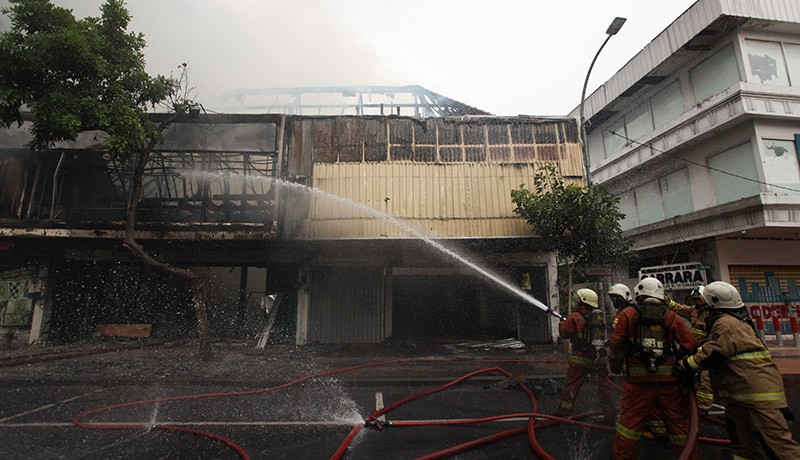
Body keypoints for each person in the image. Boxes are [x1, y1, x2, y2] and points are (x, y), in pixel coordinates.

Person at [674, 281, 800, 459]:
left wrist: (682, 366)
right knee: (742, 446)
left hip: (758, 398)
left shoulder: (727, 324)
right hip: (738, 397)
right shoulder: (729, 321)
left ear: (713, 304)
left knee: (778, 446)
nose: (702, 308)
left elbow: (713, 353)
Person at [608, 277, 699, 460]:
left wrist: (616, 365)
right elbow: (691, 343)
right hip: (670, 383)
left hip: (638, 384)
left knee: (630, 426)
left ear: (639, 293)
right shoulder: (670, 316)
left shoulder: (628, 315)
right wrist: (682, 365)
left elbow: (616, 345)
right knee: (678, 426)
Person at [555, 288, 615, 421]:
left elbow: (564, 333)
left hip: (580, 359)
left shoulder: (574, 317)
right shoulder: (598, 317)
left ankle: (563, 413)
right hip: (597, 358)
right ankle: (610, 415)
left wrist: (562, 325)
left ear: (583, 302)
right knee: (604, 387)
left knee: (571, 387)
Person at [666, 286, 715, 414]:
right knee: (681, 367)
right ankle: (686, 397)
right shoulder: (693, 310)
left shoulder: (712, 313)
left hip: (708, 349)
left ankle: (704, 407)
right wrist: (664, 300)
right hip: (695, 347)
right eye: (695, 300)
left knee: (705, 375)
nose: (696, 302)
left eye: (698, 299)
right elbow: (678, 308)